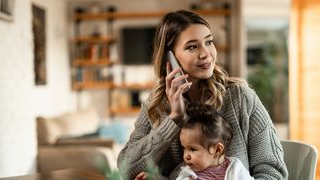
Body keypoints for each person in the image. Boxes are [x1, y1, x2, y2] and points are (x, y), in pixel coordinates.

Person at [117, 9, 288, 179]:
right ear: (170, 58)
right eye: (192, 47)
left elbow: (273, 171)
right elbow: (126, 170)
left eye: (209, 42)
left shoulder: (240, 97)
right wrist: (174, 119)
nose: (206, 54)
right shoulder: (156, 105)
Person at [173, 103, 254, 180]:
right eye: (184, 148)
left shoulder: (236, 170)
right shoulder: (187, 175)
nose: (186, 156)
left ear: (217, 149)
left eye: (192, 149)